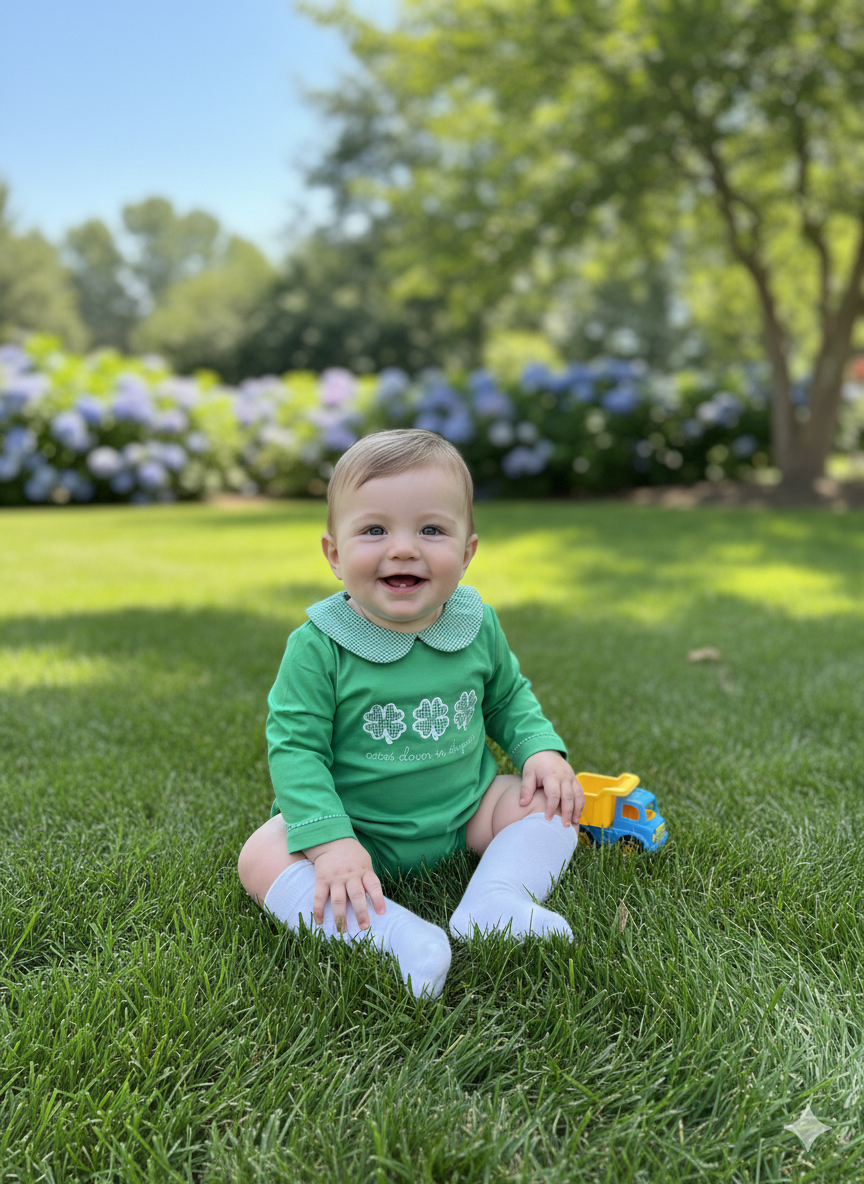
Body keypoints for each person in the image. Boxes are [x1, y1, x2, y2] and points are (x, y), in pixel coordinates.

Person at [237, 428, 585, 999]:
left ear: (467, 552)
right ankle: (392, 935)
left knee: (551, 801)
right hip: (357, 827)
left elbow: (507, 699)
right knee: (263, 854)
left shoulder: (475, 623)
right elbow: (295, 749)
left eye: (431, 529)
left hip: (464, 812)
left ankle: (497, 898)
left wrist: (540, 751)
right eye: (374, 530)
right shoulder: (320, 645)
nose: (403, 548)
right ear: (334, 553)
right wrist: (330, 844)